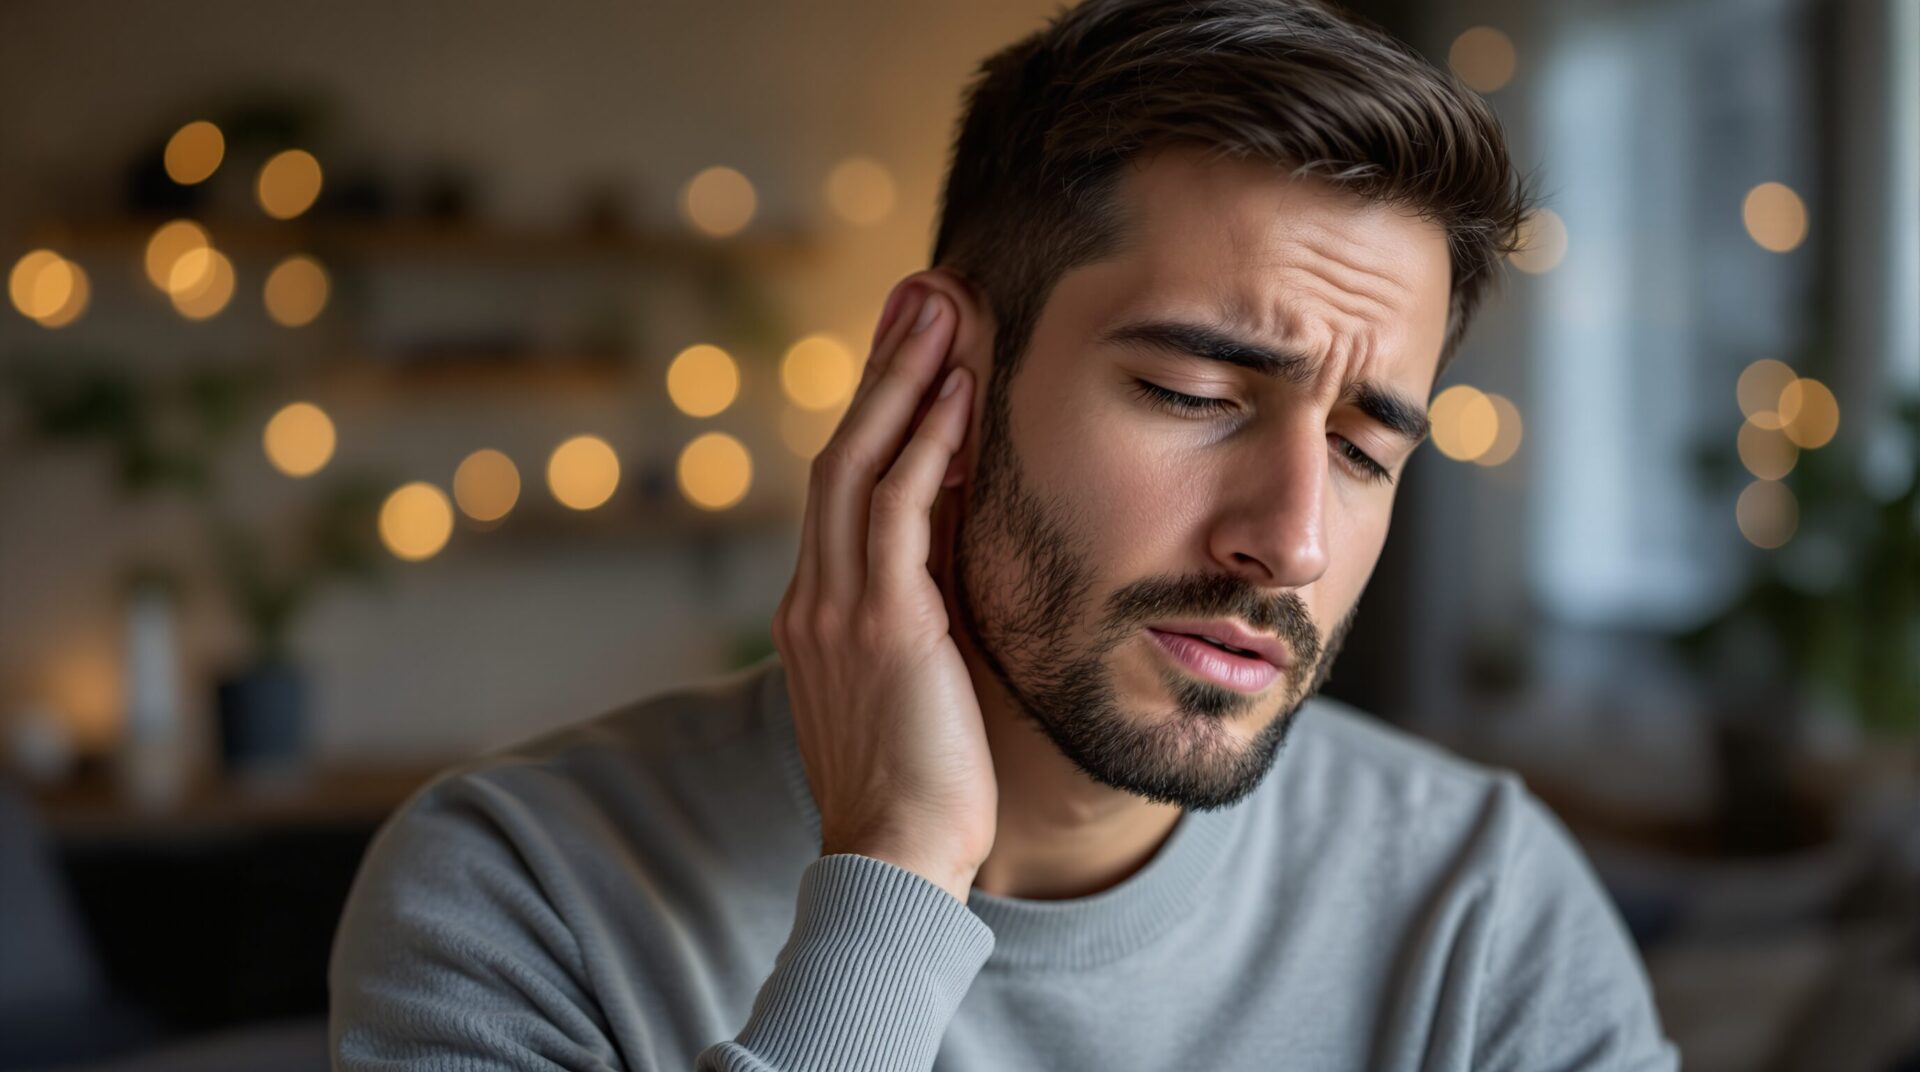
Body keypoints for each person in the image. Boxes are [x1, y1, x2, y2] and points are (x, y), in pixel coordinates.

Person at [330, 0, 1681, 1068]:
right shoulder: (517, 894)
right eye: (1194, 395)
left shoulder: (1483, 910)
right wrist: (901, 869)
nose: (1296, 542)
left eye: (1365, 448)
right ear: (941, 378)